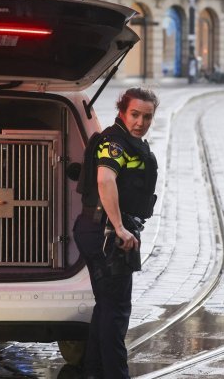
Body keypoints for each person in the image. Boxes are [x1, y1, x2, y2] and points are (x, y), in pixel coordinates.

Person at [73, 87, 159, 378]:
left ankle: (94, 372)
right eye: (135, 114)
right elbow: (105, 180)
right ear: (122, 111)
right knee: (117, 310)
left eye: (147, 116)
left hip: (95, 229)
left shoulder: (127, 141)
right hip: (107, 233)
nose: (140, 122)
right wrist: (120, 227)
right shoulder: (114, 143)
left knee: (107, 307)